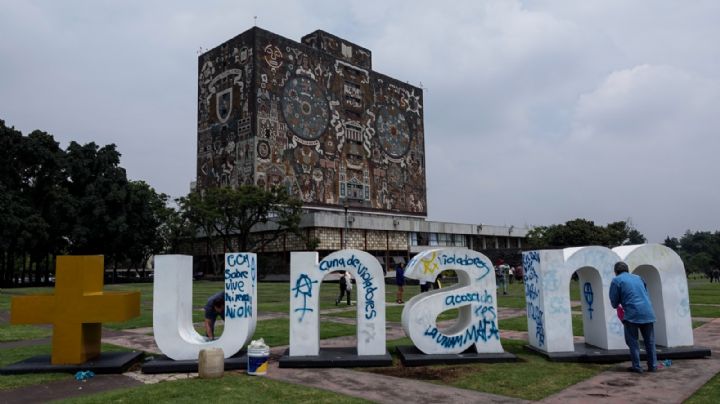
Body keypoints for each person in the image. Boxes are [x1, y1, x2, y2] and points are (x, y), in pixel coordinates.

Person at [609, 261, 658, 373]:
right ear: (627, 270)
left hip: (632, 313)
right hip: (648, 311)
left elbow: (614, 303)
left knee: (633, 341)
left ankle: (637, 366)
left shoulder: (616, 280)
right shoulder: (639, 277)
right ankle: (653, 365)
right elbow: (644, 293)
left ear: (616, 272)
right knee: (650, 341)